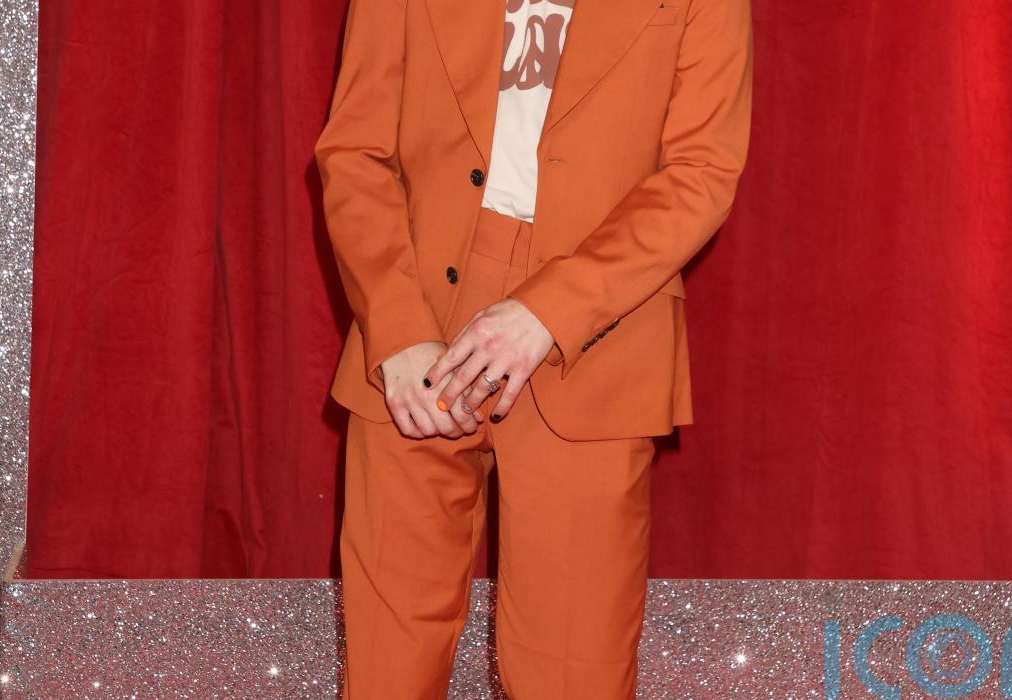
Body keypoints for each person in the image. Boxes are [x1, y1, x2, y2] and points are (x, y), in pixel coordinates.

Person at [314, 0, 752, 695]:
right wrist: (396, 329)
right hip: (413, 328)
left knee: (574, 675)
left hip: (600, 341)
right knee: (385, 672)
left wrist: (550, 310)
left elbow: (701, 173)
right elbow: (354, 151)